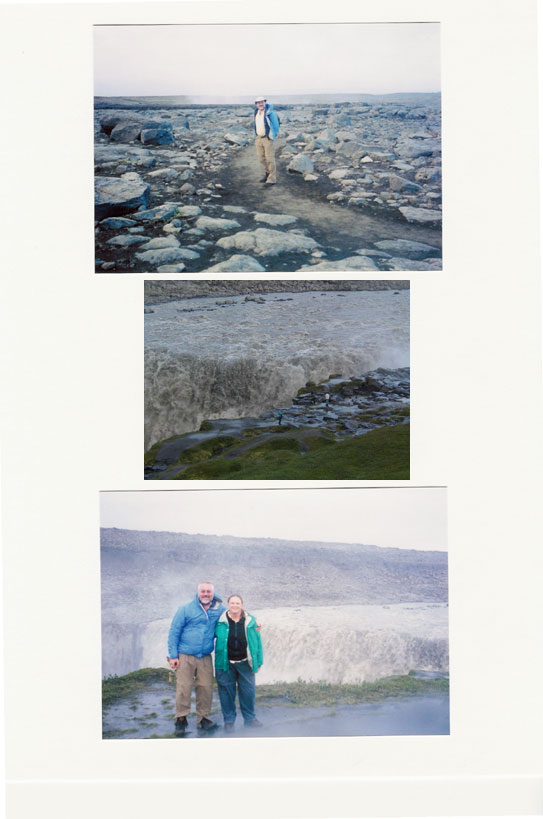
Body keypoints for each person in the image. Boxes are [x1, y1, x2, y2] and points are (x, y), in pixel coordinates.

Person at [167, 581, 225, 737]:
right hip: (185, 656)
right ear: (198, 593)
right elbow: (174, 632)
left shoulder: (219, 610)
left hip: (205, 656)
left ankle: (203, 719)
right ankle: (180, 719)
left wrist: (254, 623)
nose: (206, 594)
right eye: (203, 591)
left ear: (213, 594)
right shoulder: (185, 609)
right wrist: (173, 656)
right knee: (183, 688)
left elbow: (237, 613)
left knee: (206, 688)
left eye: (208, 592)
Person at [214, 594, 264, 732]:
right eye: (232, 603)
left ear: (241, 604)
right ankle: (229, 721)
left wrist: (258, 662)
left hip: (245, 663)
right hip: (225, 664)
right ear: (228, 604)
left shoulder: (251, 621)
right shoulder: (219, 621)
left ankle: (250, 719)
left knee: (248, 692)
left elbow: (257, 642)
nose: (235, 605)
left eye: (237, 603)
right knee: (226, 693)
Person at [253, 96, 280, 185]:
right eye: (258, 102)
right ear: (256, 104)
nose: (260, 104)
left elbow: (276, 126)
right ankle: (267, 173)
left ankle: (272, 179)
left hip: (267, 138)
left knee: (270, 158)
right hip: (258, 138)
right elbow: (256, 124)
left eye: (262, 102)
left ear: (265, 102)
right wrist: (255, 135)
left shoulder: (270, 113)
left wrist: (272, 136)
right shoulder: (256, 112)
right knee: (261, 158)